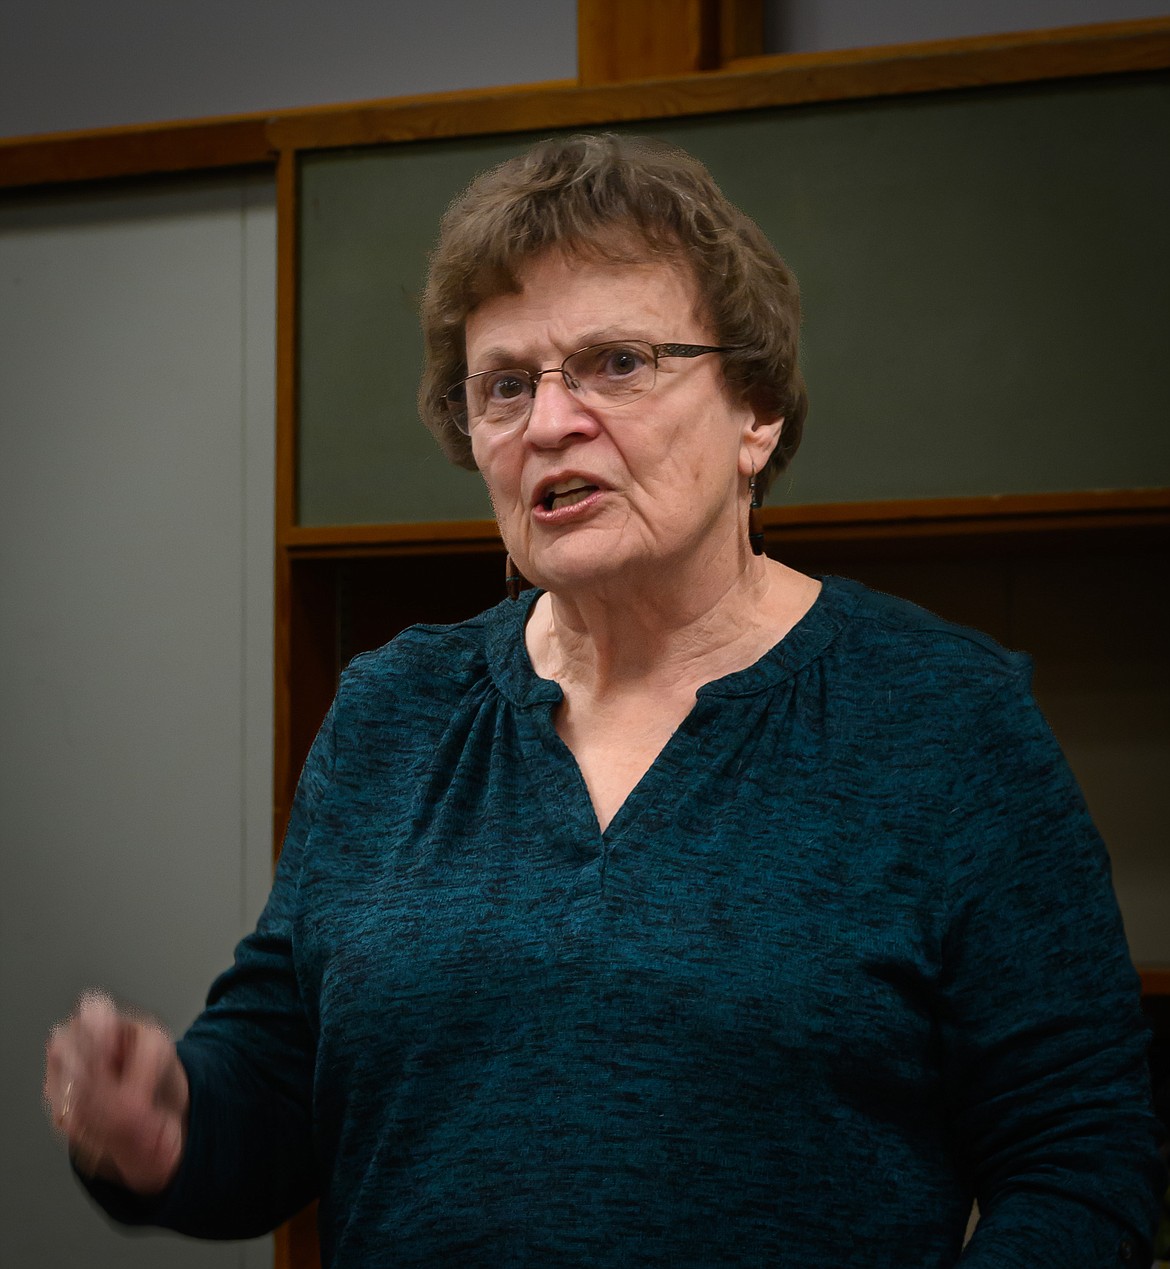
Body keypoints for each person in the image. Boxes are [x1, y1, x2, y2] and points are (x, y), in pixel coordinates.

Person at [45, 133, 1165, 1266]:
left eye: (618, 363)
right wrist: (167, 1124)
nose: (549, 422)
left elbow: (1080, 1160)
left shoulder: (944, 720)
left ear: (756, 413)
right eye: (504, 385)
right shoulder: (394, 710)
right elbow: (282, 1082)